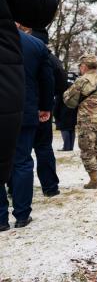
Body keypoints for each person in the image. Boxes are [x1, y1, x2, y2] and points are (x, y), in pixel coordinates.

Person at [0, 0, 59, 188]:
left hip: (23, 109)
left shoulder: (31, 44)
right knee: (26, 158)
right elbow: (52, 76)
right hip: (28, 110)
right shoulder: (37, 47)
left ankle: (3, 215)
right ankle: (34, 202)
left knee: (21, 159)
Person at [0, 26, 54, 231]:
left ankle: (1, 218)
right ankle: (22, 215)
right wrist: (45, 107)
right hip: (24, 110)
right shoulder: (35, 45)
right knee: (22, 161)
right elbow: (46, 80)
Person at [63, 54, 97, 189]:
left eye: (80, 66)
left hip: (88, 120)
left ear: (84, 66)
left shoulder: (82, 81)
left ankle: (93, 181)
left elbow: (69, 101)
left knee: (87, 149)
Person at [30, 28, 64, 197]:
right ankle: (50, 187)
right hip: (43, 108)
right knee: (44, 148)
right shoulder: (53, 59)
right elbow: (61, 82)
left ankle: (16, 189)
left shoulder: (22, 52)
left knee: (20, 153)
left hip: (24, 106)